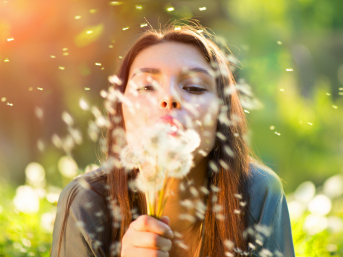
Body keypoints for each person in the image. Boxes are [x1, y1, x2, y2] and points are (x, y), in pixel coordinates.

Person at [50, 22, 295, 257]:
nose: (169, 97)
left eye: (195, 87)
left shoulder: (257, 194)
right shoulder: (86, 204)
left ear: (222, 115)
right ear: (120, 111)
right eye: (146, 87)